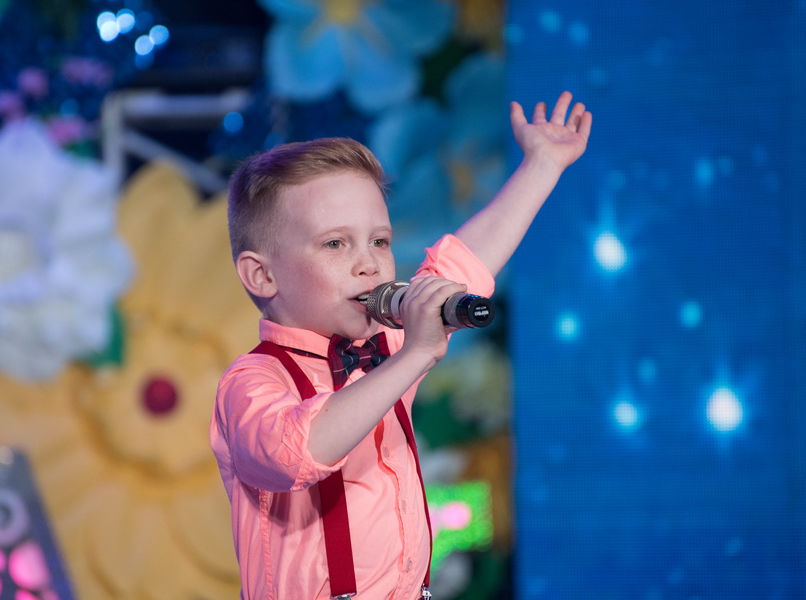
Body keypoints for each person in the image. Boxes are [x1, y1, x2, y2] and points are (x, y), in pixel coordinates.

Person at [210, 91, 592, 599]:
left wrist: (541, 165)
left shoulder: (387, 343)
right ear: (262, 275)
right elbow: (295, 452)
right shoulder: (253, 380)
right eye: (335, 244)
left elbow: (465, 262)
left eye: (380, 241)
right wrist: (413, 356)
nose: (368, 263)